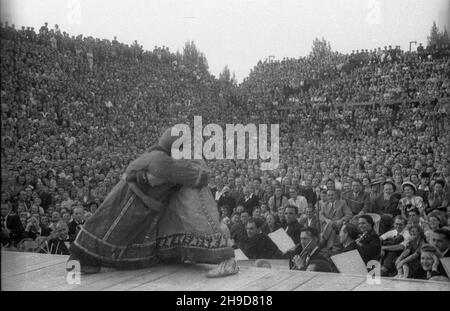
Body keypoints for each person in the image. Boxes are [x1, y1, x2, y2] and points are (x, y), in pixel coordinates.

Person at [68, 128, 235, 277]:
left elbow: (134, 173)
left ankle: (87, 262)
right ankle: (81, 262)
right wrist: (198, 167)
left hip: (127, 197)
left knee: (112, 229)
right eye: (183, 146)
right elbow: (195, 178)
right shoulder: (162, 160)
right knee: (111, 230)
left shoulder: (153, 154)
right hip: (131, 201)